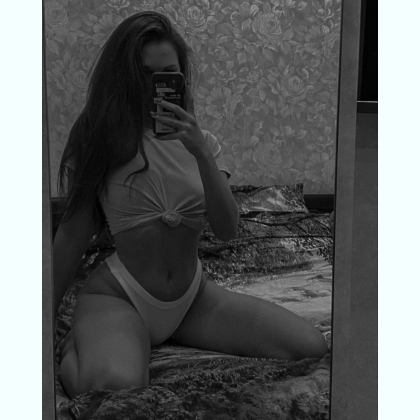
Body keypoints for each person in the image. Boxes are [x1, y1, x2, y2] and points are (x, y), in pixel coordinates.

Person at [54, 11, 328, 399]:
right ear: (124, 79)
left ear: (181, 77)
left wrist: (199, 150)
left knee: (310, 346)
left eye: (167, 74)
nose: (155, 85)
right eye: (144, 75)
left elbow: (227, 230)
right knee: (116, 388)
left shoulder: (203, 143)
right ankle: (77, 350)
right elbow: (71, 235)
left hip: (191, 300)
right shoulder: (98, 141)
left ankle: (111, 345)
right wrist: (41, 320)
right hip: (120, 296)